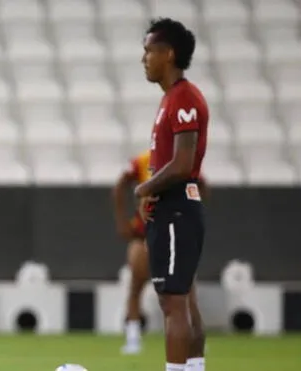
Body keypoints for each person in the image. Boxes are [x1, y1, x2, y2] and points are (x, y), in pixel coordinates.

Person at [133, 18, 209, 371]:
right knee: (184, 300)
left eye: (149, 50)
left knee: (173, 303)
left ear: (169, 53)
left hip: (177, 210)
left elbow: (183, 163)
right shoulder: (172, 98)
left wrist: (145, 188)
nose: (144, 57)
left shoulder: (184, 98)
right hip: (175, 208)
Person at [113, 149, 209, 356]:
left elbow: (201, 183)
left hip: (174, 230)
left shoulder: (182, 162)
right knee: (136, 285)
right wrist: (122, 220)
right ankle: (133, 338)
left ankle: (192, 339)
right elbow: (121, 183)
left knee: (187, 289)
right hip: (145, 233)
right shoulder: (144, 160)